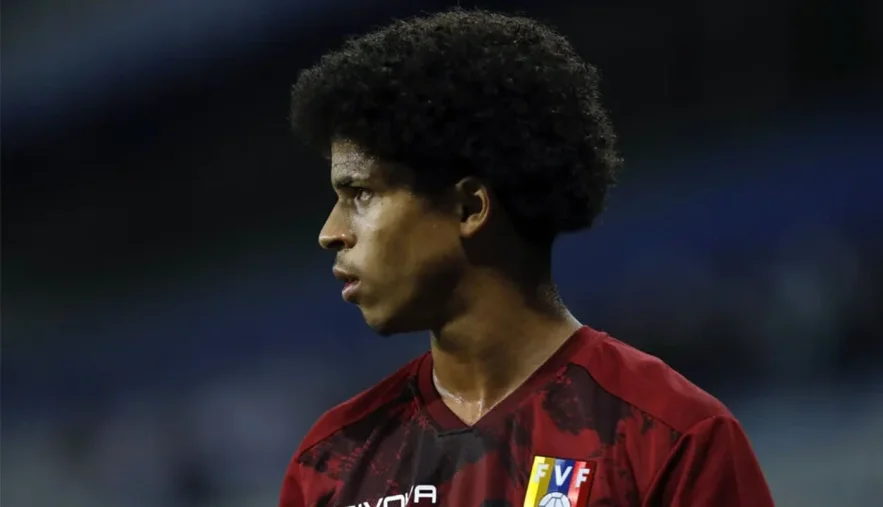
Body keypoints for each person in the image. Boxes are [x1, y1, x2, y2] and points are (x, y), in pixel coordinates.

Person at [280, 9, 774, 507]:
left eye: (361, 194)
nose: (330, 233)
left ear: (469, 208)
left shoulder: (670, 438)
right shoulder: (329, 466)